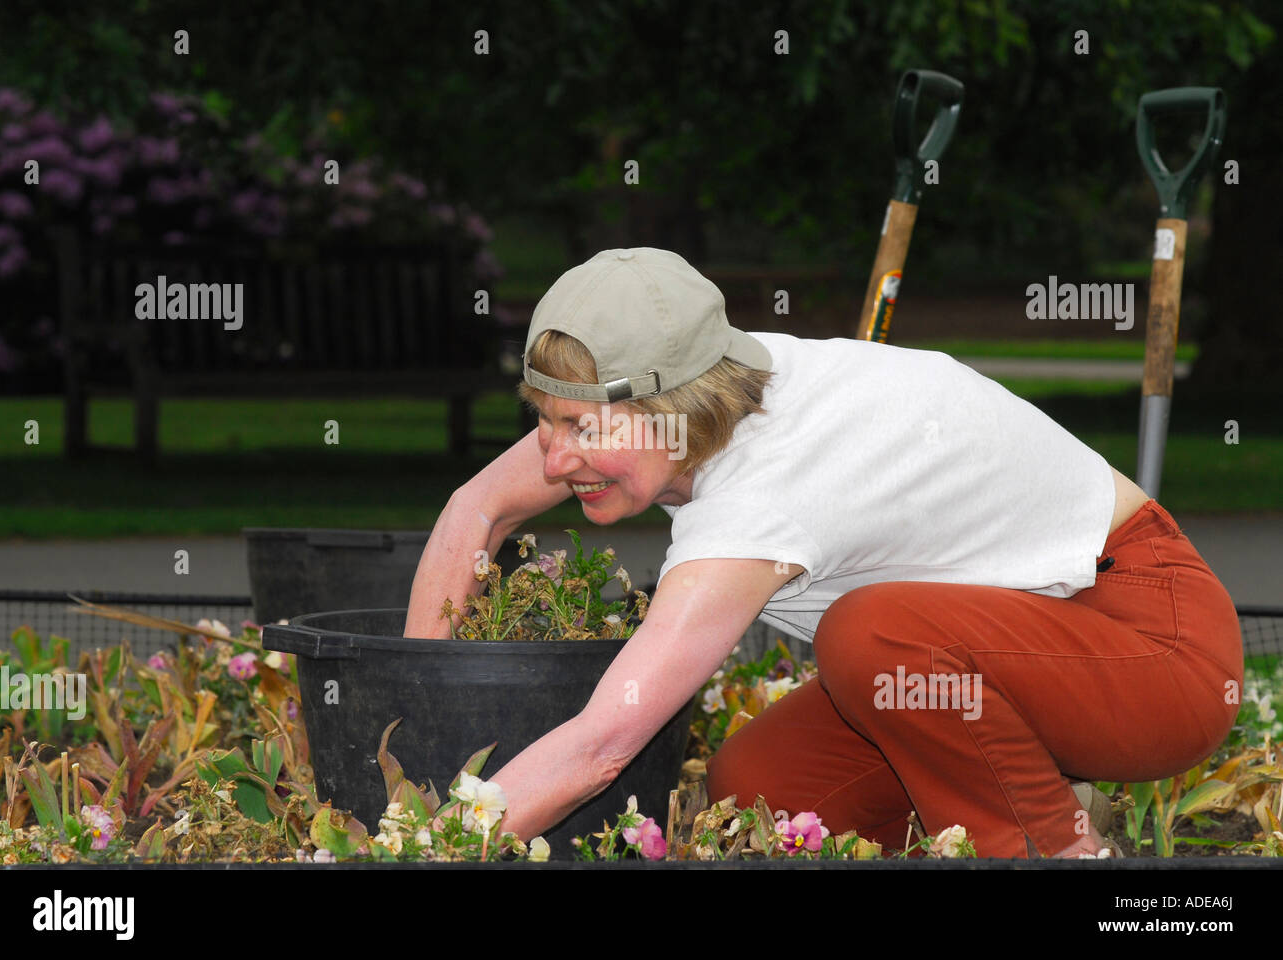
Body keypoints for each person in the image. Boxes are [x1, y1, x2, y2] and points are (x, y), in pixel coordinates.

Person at [403, 247, 1243, 858]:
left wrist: (420, 850)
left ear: (672, 406)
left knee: (872, 635)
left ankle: (1056, 851)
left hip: (1155, 650)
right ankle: (1026, 793)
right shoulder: (712, 387)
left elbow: (602, 743)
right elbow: (474, 509)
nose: (553, 459)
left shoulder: (763, 491)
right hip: (1016, 651)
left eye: (579, 429)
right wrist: (407, 745)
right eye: (541, 419)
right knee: (764, 792)